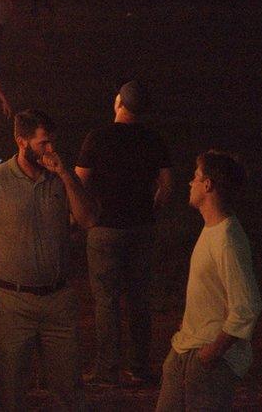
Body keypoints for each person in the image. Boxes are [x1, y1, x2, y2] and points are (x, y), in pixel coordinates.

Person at [0, 110, 97, 411]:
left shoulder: (60, 179)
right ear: (21, 142)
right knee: (11, 389)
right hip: (12, 302)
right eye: (43, 143)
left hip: (58, 300)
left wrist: (65, 174)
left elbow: (87, 219)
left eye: (52, 143)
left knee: (69, 387)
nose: (51, 150)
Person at [76, 81, 173, 386]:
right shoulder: (152, 139)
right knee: (139, 298)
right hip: (140, 227)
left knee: (105, 300)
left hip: (104, 227)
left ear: (118, 102)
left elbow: (80, 181)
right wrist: (152, 210)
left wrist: (87, 214)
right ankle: (140, 366)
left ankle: (107, 368)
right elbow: (167, 185)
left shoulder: (98, 137)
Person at [155, 151, 262, 412]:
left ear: (208, 185)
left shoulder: (227, 239)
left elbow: (247, 306)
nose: (190, 183)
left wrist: (209, 355)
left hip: (207, 359)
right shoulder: (212, 230)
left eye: (196, 177)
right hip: (187, 348)